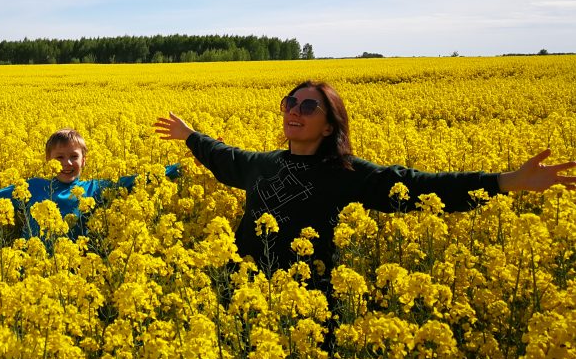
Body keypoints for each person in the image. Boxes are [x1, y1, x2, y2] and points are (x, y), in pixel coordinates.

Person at [154, 80, 576, 283]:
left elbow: (419, 187)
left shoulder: (346, 174)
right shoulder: (263, 164)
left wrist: (506, 181)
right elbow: (224, 158)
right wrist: (190, 136)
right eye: (289, 102)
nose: (293, 110)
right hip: (243, 286)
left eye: (307, 105)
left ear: (327, 126)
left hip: (308, 297)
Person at [0, 128, 180, 241]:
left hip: (77, 270)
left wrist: (184, 166)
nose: (67, 164)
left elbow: (137, 181)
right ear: (48, 160)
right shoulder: (31, 187)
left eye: (73, 157)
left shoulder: (96, 189)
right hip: (31, 274)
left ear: (85, 160)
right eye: (60, 158)